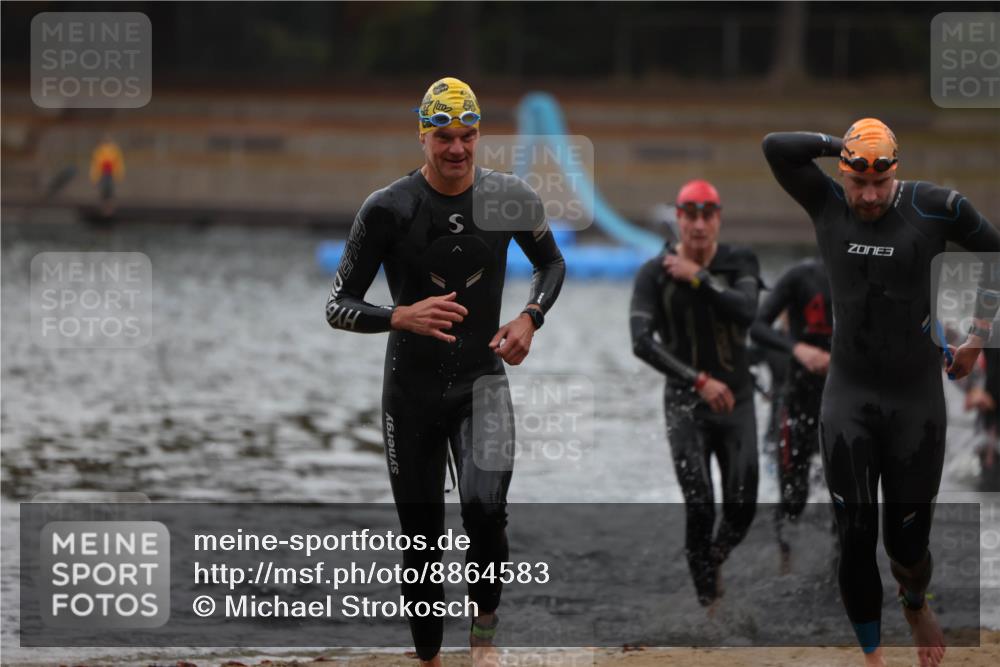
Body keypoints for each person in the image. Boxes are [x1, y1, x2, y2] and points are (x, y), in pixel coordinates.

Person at [325, 76, 565, 666]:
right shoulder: (387, 209)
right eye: (443, 136)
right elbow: (337, 305)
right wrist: (398, 315)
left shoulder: (510, 195)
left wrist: (531, 318)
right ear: (423, 136)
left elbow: (551, 263)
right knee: (422, 542)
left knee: (485, 509)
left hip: (480, 382)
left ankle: (483, 636)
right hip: (410, 394)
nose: (456, 148)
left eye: (468, 135)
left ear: (480, 135)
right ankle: (429, 657)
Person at [762, 118, 1000, 667]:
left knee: (907, 545)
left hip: (916, 400)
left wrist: (977, 340)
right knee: (856, 533)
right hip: (849, 394)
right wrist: (835, 143)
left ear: (897, 172)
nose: (868, 196)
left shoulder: (936, 207)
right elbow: (776, 147)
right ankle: (873, 657)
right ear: (842, 172)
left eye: (880, 183)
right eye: (857, 182)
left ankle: (914, 599)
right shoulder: (825, 203)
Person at [629, 179, 761, 609]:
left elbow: (746, 311)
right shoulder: (655, 272)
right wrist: (698, 380)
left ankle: (712, 559)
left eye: (708, 215)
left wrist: (699, 277)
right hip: (686, 402)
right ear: (679, 219)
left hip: (737, 402)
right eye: (691, 215)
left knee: (741, 509)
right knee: (700, 505)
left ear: (718, 219)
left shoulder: (740, 261)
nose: (699, 225)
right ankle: (710, 609)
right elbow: (641, 342)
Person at [750, 257, 833, 571]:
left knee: (846, 497)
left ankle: (842, 564)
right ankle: (785, 558)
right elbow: (752, 337)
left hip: (839, 408)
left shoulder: (863, 275)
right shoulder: (800, 278)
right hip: (794, 410)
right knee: (794, 498)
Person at [89, 135, 125, 217]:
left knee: (109, 189)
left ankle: (109, 208)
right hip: (103, 172)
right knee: (104, 189)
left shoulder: (114, 150)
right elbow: (96, 164)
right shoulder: (100, 150)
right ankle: (105, 208)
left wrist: (118, 173)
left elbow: (118, 163)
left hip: (110, 172)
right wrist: (94, 175)